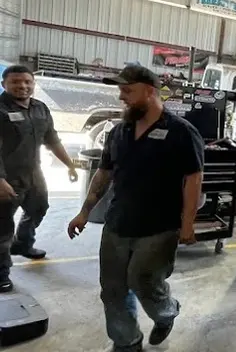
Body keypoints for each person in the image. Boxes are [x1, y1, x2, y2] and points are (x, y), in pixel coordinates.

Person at [67, 65, 204, 352]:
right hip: (117, 224)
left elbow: (193, 179)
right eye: (121, 91)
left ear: (150, 91)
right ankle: (127, 342)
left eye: (128, 91)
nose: (122, 97)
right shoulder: (119, 132)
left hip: (159, 227)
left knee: (144, 282)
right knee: (113, 289)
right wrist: (84, 212)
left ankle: (166, 313)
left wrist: (188, 224)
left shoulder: (180, 132)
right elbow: (103, 174)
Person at [0, 65, 78, 293]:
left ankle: (22, 244)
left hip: (34, 174)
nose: (22, 86)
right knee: (2, 228)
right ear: (4, 84)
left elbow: (52, 139)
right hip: (7, 177)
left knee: (39, 208)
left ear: (33, 84)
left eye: (27, 82)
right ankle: (1, 273)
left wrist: (70, 164)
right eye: (16, 82)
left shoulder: (40, 108)